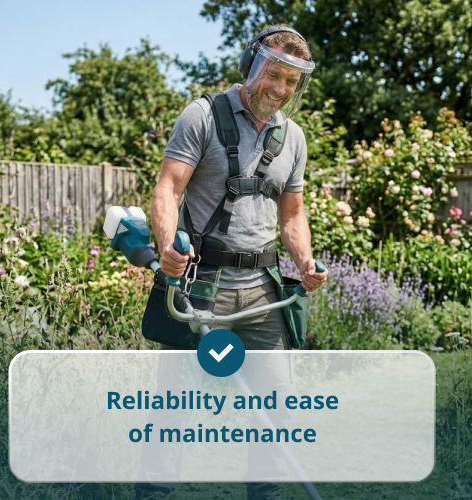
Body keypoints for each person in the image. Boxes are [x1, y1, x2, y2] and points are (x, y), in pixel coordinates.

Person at [136, 24, 328, 500]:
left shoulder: (293, 138)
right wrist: (168, 248)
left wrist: (305, 261)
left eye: (291, 81)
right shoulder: (202, 116)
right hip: (202, 286)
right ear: (250, 65)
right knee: (174, 408)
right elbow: (168, 189)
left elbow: (293, 214)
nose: (280, 89)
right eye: (273, 74)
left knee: (276, 407)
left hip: (262, 293)